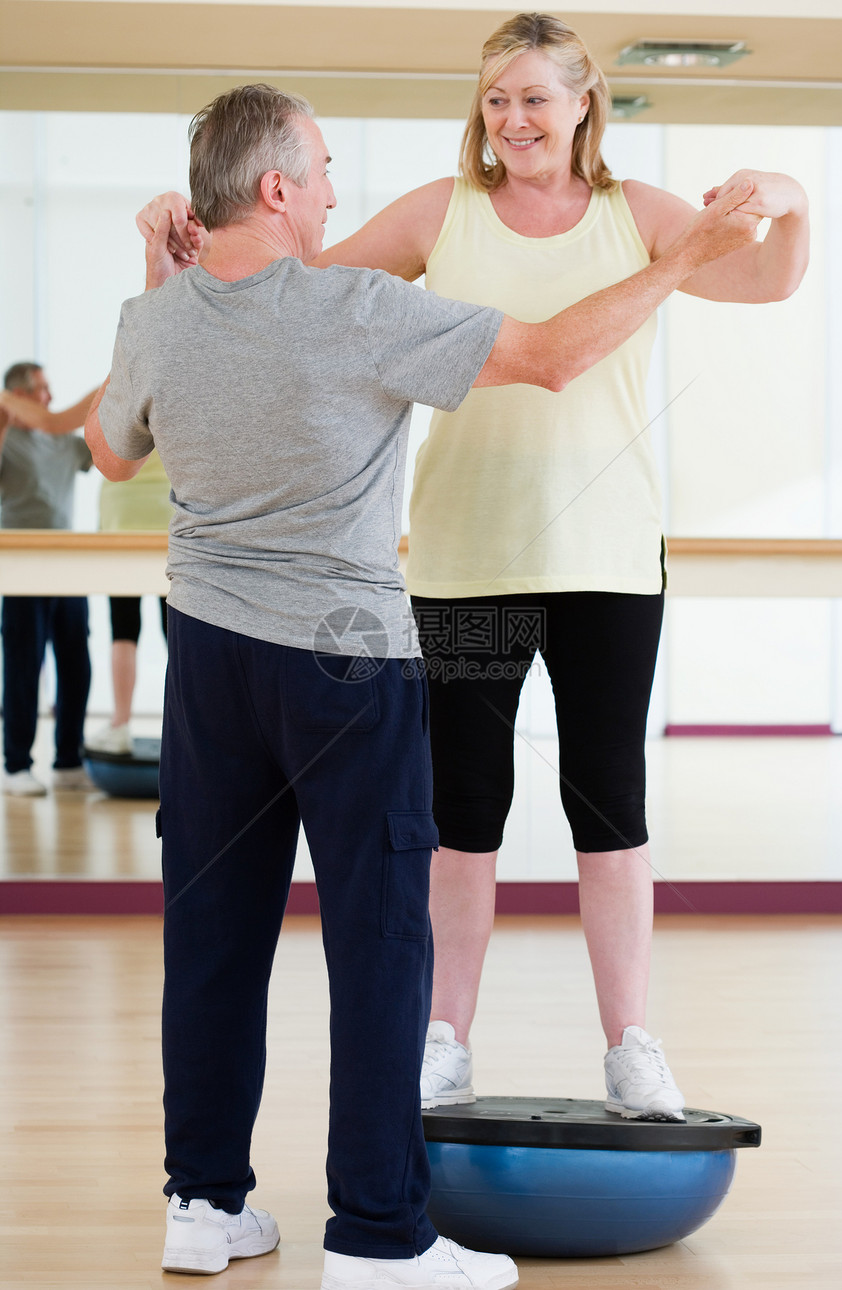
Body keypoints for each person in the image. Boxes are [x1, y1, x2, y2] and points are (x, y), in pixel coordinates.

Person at [105, 85, 757, 1285]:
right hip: (343, 661)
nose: (340, 193)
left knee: (210, 936)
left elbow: (111, 449)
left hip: (204, 661)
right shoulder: (357, 307)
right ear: (277, 189)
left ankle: (202, 1206)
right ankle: (376, 1237)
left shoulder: (155, 319)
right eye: (326, 169)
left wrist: (158, 279)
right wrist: (691, 255)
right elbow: (554, 358)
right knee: (378, 943)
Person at [0, 364, 99, 796]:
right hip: (23, 569)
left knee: (76, 663)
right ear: (18, 395)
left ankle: (68, 761)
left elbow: (104, 452)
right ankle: (16, 764)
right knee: (24, 666)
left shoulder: (63, 442)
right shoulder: (8, 443)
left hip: (68, 565)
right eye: (41, 389)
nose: (50, 396)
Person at [86, 451, 172, 755]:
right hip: (167, 512)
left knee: (122, 629)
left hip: (122, 513)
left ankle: (120, 725)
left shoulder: (107, 399)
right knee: (176, 632)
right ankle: (183, 726)